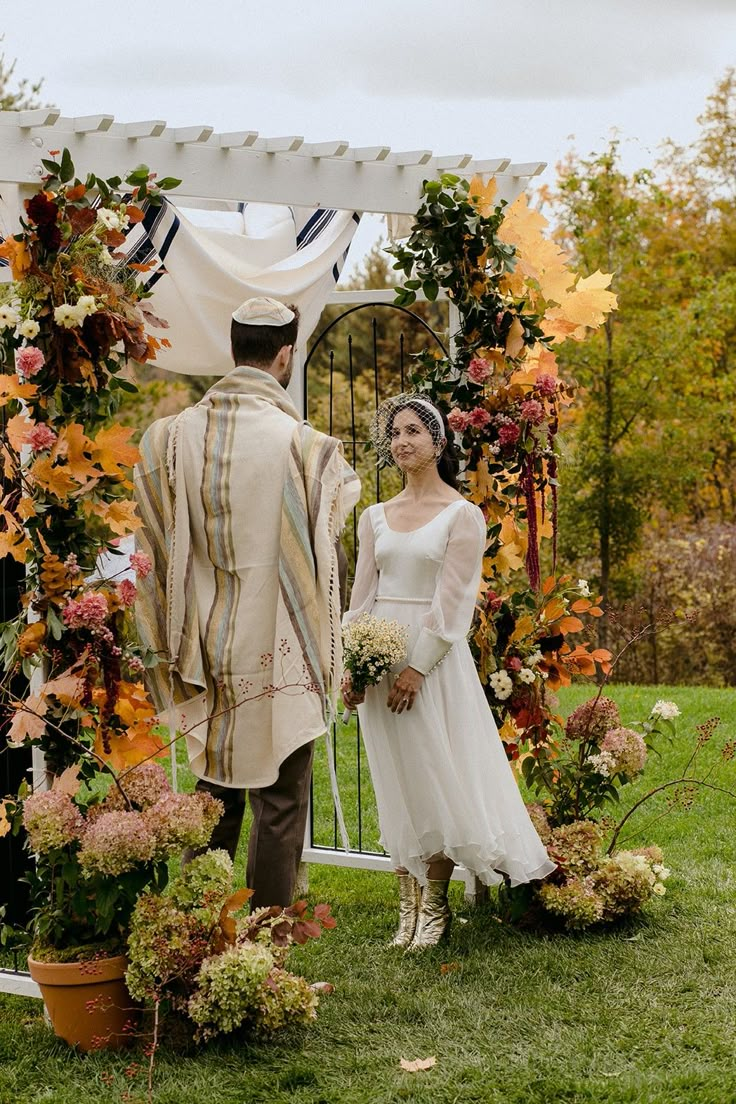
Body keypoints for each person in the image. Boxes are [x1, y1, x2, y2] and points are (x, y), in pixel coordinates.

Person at [134, 297, 360, 908]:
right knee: (281, 803)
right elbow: (330, 560)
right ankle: (266, 951)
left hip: (201, 645)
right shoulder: (307, 450)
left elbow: (151, 545)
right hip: (281, 644)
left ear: (233, 350)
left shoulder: (172, 439)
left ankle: (189, 933)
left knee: (212, 793)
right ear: (284, 356)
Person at [341, 394, 555, 949]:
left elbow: (456, 600)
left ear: (438, 442)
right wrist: (355, 664)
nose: (402, 442)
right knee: (395, 778)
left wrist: (418, 667)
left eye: (413, 431)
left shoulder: (462, 514)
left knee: (432, 773)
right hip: (380, 656)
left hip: (430, 663)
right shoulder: (373, 517)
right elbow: (362, 595)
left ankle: (434, 909)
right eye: (394, 434)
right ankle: (406, 907)